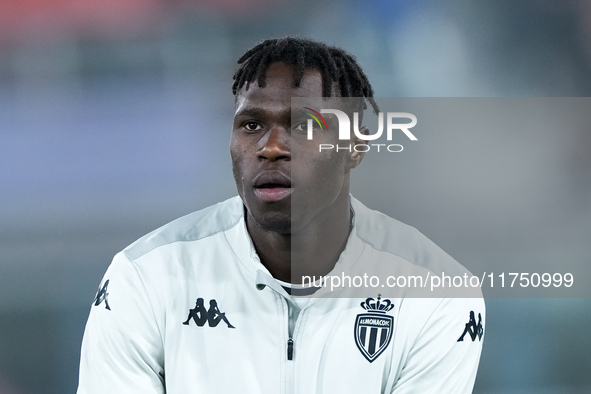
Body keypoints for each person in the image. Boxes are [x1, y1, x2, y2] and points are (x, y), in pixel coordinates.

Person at [77, 37, 485, 393]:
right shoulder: (145, 276)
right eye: (251, 125)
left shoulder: (437, 293)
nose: (271, 147)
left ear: (355, 147)